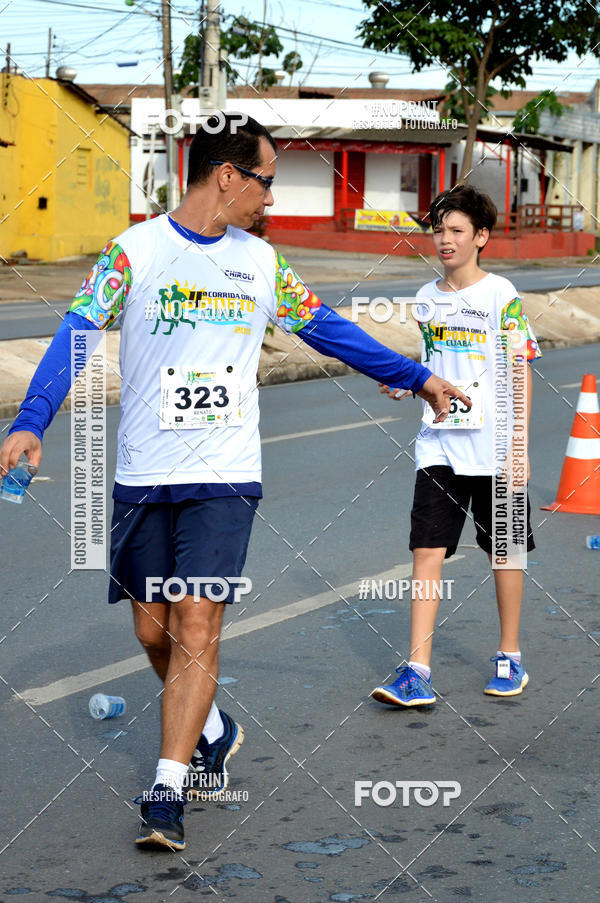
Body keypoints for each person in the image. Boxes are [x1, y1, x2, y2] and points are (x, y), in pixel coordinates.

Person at [0, 114, 470, 852]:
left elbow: (328, 329)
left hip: (225, 474)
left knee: (197, 620)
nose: (271, 198)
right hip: (144, 473)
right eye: (265, 181)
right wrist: (32, 419)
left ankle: (166, 791)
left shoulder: (262, 263)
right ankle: (214, 729)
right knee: (152, 629)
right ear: (227, 176)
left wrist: (416, 376)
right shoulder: (134, 252)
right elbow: (78, 331)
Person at [371, 185, 541, 710]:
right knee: (426, 551)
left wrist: (519, 445)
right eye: (439, 230)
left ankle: (509, 655)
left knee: (504, 552)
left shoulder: (501, 295)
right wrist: (411, 385)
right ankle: (417, 670)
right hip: (439, 444)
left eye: (457, 230)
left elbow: (519, 370)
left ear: (481, 237)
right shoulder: (427, 297)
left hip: (494, 446)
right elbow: (435, 365)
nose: (445, 240)